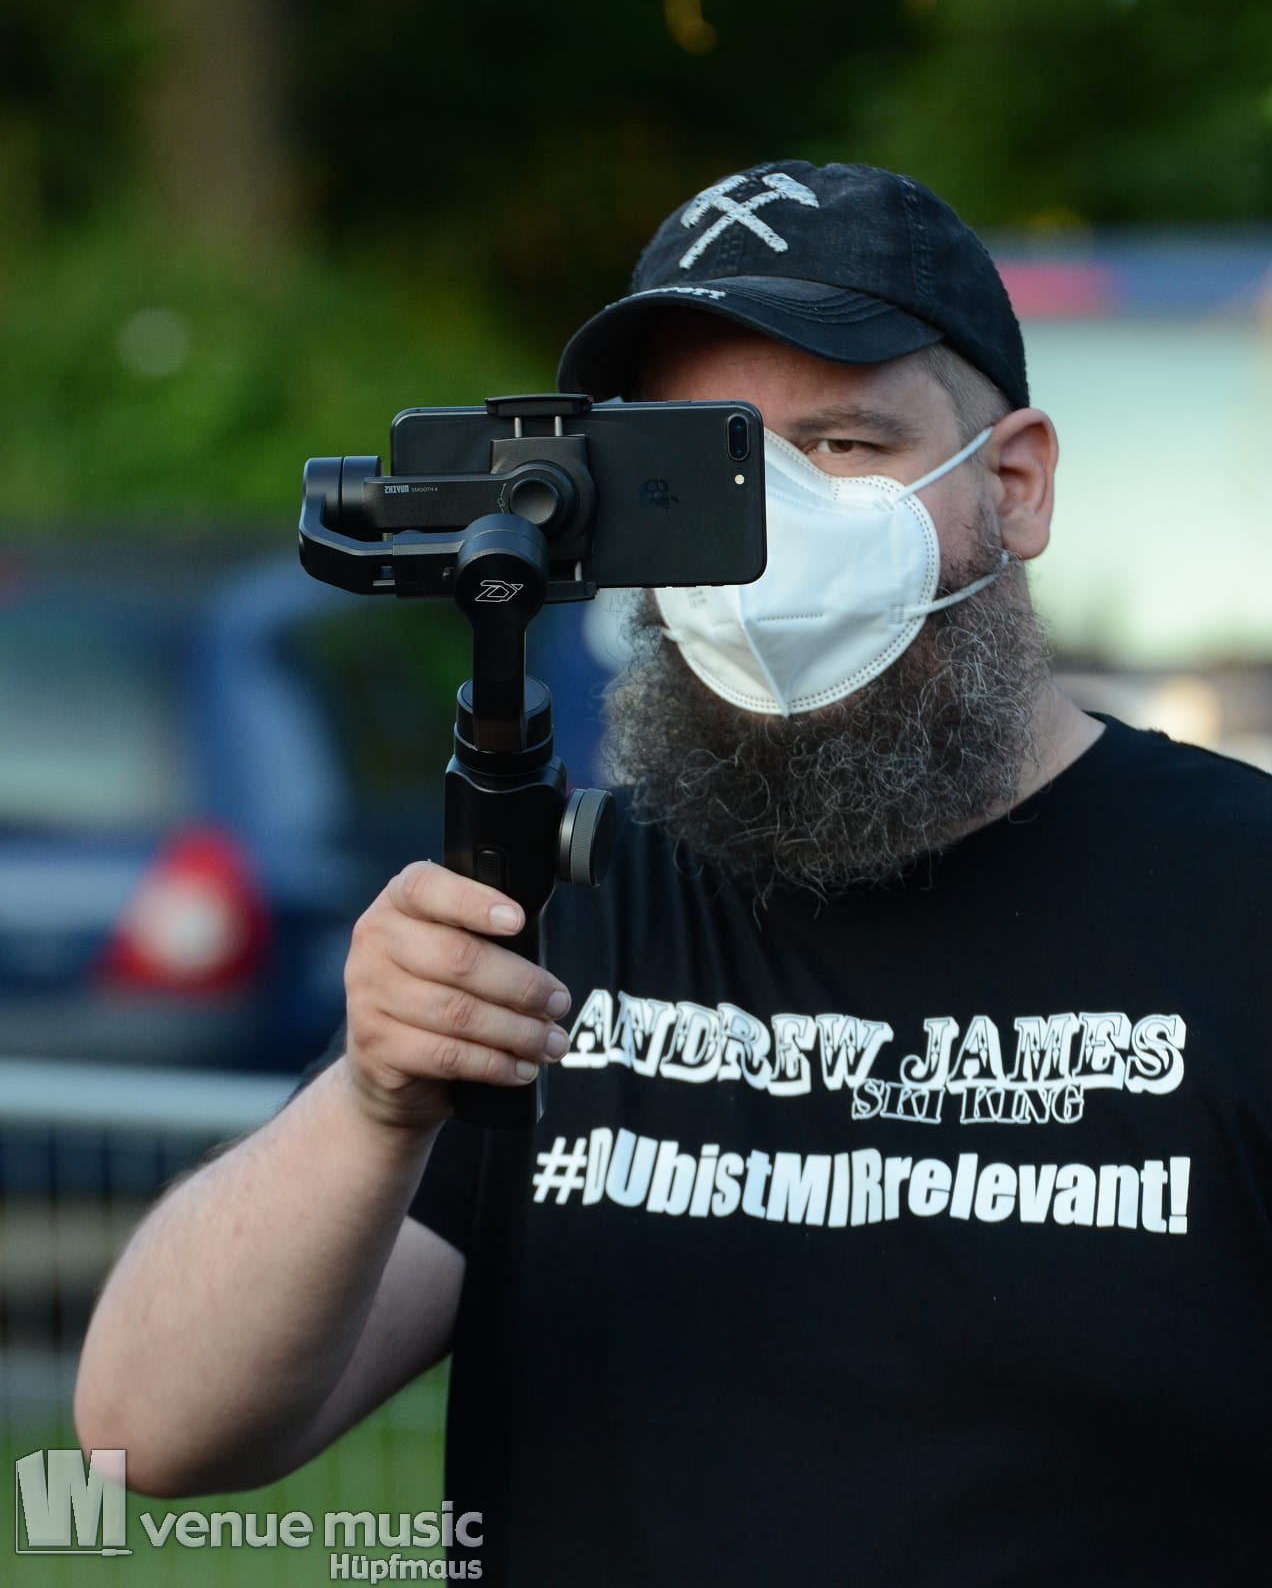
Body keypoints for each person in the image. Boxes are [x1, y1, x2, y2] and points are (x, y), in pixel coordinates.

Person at [74, 162, 1272, 1587]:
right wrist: (376, 1100)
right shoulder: (562, 909)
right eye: (701, 466)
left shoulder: (1236, 898)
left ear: (1013, 484)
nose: (772, 531)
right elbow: (147, 1435)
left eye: (841, 445)